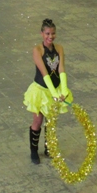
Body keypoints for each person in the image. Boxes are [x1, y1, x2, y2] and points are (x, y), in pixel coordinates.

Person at [23, 18, 73, 164]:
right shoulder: (37, 50)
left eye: (53, 33)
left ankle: (48, 148)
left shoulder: (59, 49)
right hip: (41, 90)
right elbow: (44, 73)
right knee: (38, 120)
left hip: (55, 89)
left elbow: (61, 69)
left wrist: (63, 89)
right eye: (47, 34)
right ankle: (34, 151)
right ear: (42, 34)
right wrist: (54, 94)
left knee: (51, 120)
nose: (50, 37)